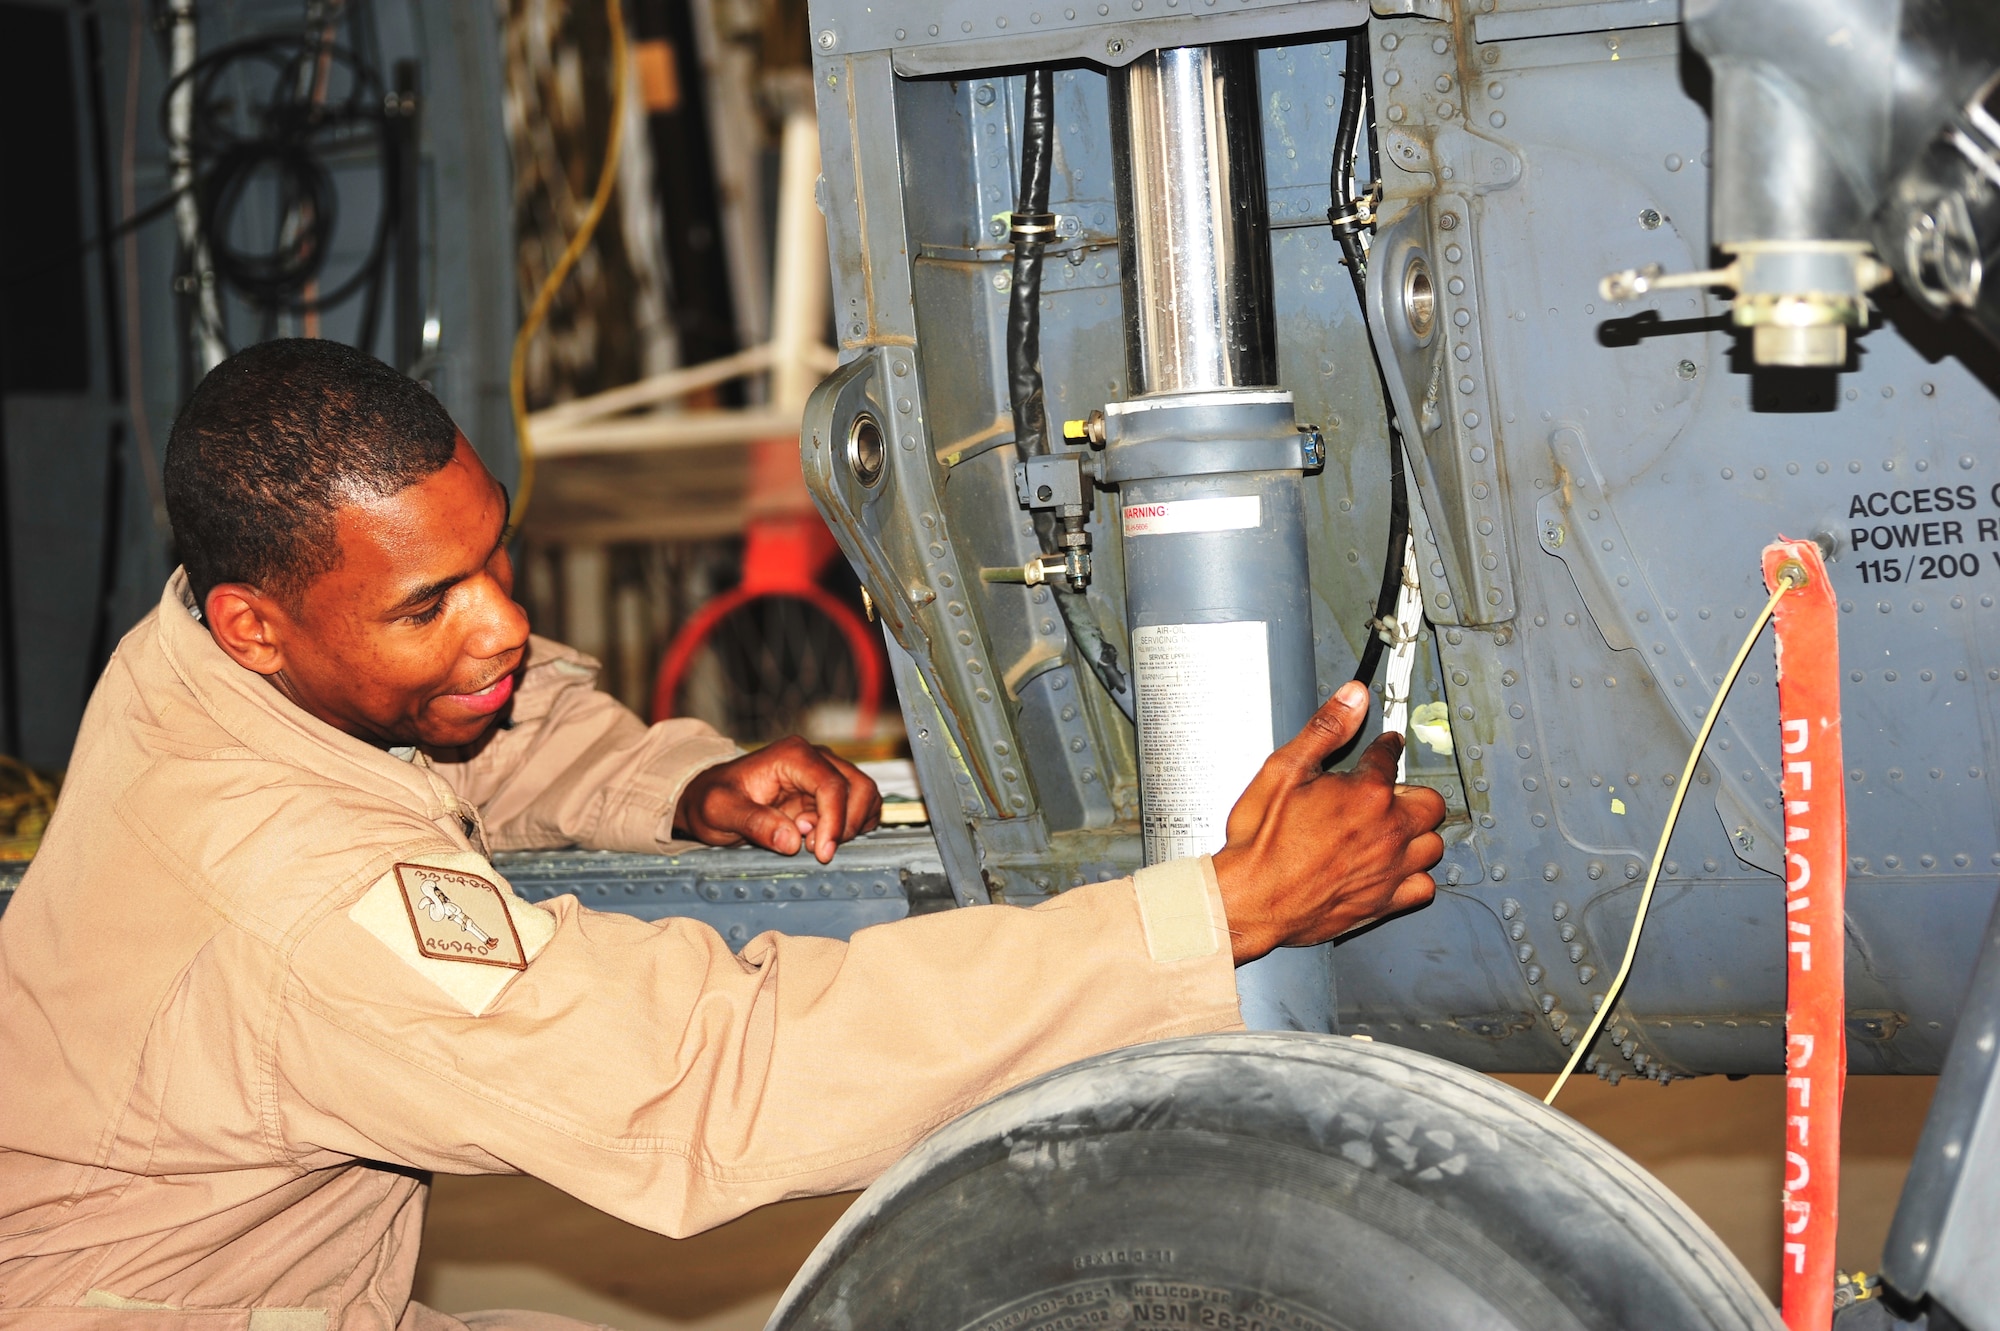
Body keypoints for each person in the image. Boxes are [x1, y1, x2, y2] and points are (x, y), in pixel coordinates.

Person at [0, 340, 1446, 1331]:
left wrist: (670, 783)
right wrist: (1215, 917)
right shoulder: (300, 906)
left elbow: (442, 729)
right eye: (426, 605)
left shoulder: (202, 649)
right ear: (260, 622)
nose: (502, 621)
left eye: (491, 557)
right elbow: (710, 1084)